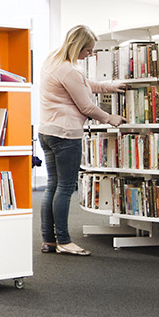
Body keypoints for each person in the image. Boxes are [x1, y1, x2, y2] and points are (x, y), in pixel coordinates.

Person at [38, 24, 124, 255]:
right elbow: (86, 106)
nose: (90, 54)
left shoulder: (52, 60)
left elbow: (83, 85)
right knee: (65, 188)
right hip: (66, 134)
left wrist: (109, 87)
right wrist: (110, 118)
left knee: (52, 186)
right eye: (88, 50)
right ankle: (65, 241)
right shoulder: (69, 70)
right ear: (78, 46)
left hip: (47, 131)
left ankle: (49, 240)